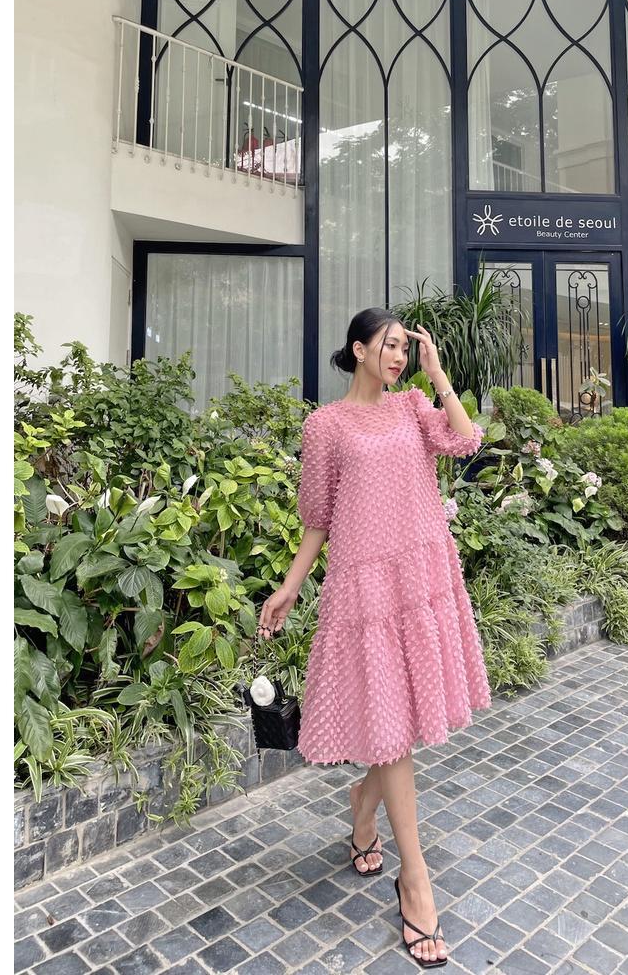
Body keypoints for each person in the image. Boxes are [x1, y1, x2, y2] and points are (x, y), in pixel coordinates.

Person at [258, 307, 493, 968]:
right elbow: (317, 519)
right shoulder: (325, 426)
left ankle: (364, 805)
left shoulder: (414, 407)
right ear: (358, 349)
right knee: (392, 728)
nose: (398, 356)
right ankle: (415, 882)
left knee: (402, 725)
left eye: (403, 348)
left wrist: (437, 376)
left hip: (420, 574)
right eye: (389, 345)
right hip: (364, 586)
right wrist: (289, 587)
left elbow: (466, 441)